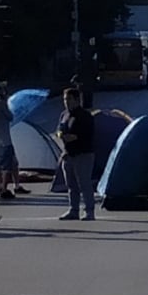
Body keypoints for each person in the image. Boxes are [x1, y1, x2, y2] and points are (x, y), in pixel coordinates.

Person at [58, 87, 96, 221]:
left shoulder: (85, 116)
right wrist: (61, 135)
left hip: (83, 154)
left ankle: (89, 211)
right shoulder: (64, 115)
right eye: (64, 99)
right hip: (68, 154)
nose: (66, 102)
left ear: (77, 100)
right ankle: (73, 210)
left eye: (69, 99)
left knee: (84, 183)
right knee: (71, 185)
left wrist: (73, 137)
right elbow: (59, 130)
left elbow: (86, 134)